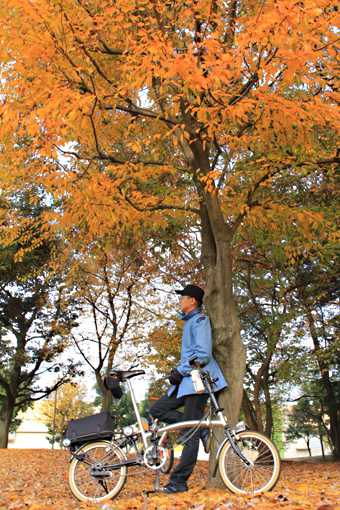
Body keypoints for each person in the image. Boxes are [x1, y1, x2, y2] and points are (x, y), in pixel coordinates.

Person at [150, 284, 227, 494]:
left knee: (188, 435)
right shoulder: (189, 322)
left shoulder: (200, 321)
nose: (179, 300)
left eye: (182, 297)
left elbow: (203, 355)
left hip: (197, 383)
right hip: (185, 383)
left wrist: (180, 369)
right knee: (157, 410)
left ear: (192, 300)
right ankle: (200, 427)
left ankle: (179, 482)